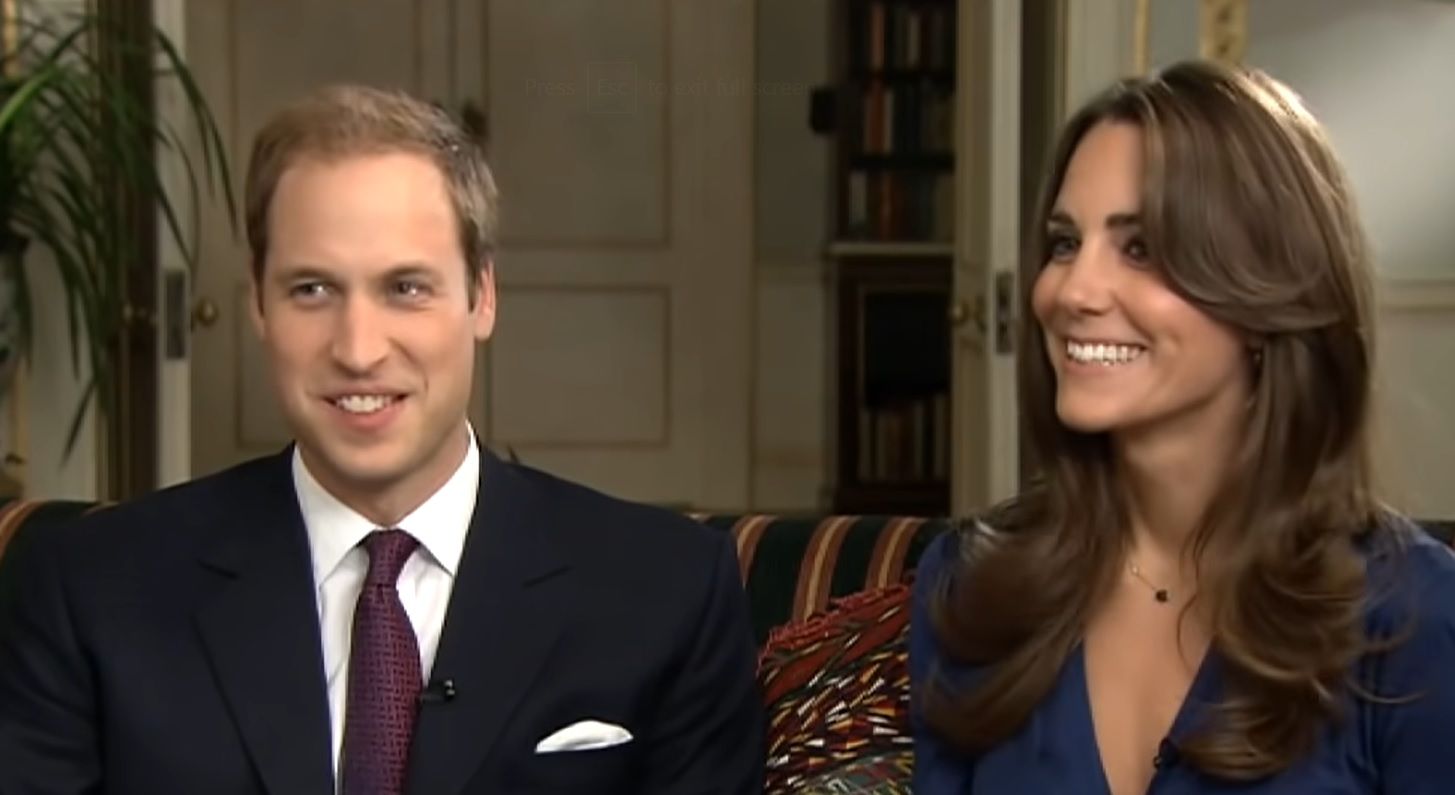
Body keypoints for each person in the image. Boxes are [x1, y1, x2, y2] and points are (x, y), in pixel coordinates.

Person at [0, 85, 764, 794]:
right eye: (312, 289)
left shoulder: (667, 592)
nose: (359, 347)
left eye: (405, 287)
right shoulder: (87, 591)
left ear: (482, 296)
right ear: (259, 307)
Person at [910, 59, 1455, 794]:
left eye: (1139, 248)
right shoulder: (972, 586)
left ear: (1265, 295)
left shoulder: (1412, 617)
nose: (1072, 289)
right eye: (1065, 242)